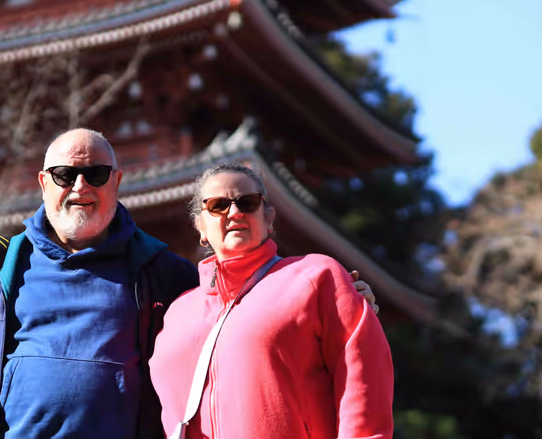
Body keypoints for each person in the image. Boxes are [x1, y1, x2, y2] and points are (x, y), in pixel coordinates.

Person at [0, 129, 379, 439]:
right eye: (65, 175)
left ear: (116, 182)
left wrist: (340, 303)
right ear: (43, 182)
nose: (81, 184)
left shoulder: (162, 274)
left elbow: (232, 313)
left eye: (96, 173)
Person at [149, 162, 394, 439]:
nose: (235, 212)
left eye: (248, 202)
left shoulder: (316, 277)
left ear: (269, 218)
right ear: (200, 226)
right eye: (218, 205)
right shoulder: (176, 312)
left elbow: (363, 378)